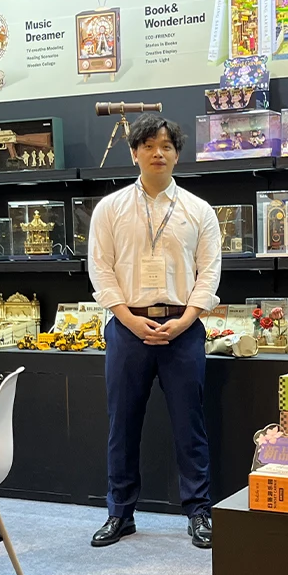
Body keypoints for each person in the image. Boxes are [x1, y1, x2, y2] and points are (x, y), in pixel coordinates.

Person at [86, 114, 222, 549]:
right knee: (122, 424)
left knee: (190, 425)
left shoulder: (199, 210)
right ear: (134, 153)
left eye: (166, 146)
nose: (157, 153)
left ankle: (199, 512)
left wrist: (186, 319)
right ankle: (120, 513)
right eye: (148, 145)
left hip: (184, 327)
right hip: (128, 328)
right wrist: (127, 318)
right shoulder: (110, 208)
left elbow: (209, 272)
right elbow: (100, 269)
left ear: (177, 154)